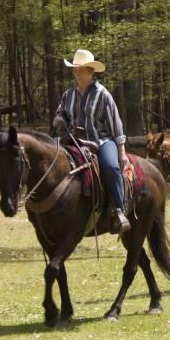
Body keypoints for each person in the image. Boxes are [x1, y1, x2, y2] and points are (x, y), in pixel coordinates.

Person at [53, 49, 131, 234]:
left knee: (111, 167)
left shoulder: (103, 95)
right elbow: (61, 112)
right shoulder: (68, 95)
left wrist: (121, 152)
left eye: (80, 70)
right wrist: (59, 118)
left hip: (101, 141)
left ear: (91, 72)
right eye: (74, 69)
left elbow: (116, 126)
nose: (76, 73)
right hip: (73, 141)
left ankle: (120, 210)